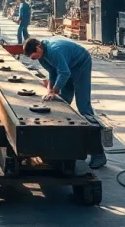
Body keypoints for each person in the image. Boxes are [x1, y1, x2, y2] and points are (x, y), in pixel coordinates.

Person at [23, 36, 107, 169]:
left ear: (38, 47)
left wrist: (55, 91)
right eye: (33, 58)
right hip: (67, 68)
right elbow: (52, 72)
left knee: (83, 107)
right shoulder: (42, 56)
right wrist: (50, 90)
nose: (35, 59)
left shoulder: (54, 51)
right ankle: (66, 145)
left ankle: (98, 154)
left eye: (35, 56)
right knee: (62, 102)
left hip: (80, 64)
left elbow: (64, 72)